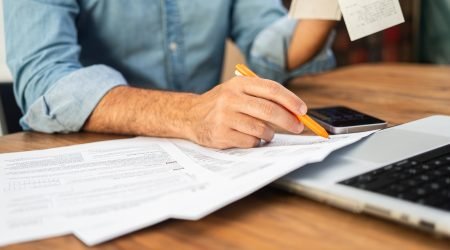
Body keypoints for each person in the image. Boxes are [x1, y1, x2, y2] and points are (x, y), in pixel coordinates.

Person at [4, 0, 336, 149]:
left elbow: (271, 53)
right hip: (93, 165)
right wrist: (189, 114)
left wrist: (328, 5)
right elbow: (44, 80)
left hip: (208, 163)